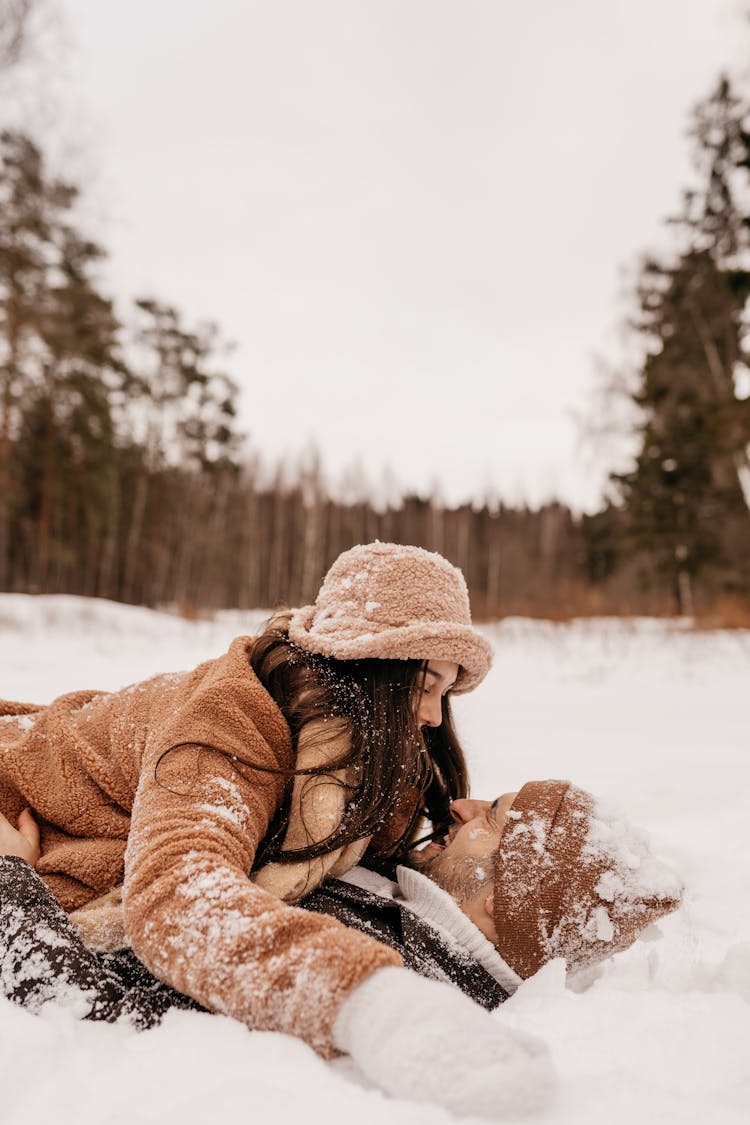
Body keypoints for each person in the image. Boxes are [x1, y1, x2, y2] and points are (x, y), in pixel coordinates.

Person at [0, 541, 554, 1118]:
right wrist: (373, 1003)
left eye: (447, 693)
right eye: (428, 684)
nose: (436, 717)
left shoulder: (364, 761)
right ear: (375, 667)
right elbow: (180, 896)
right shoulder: (233, 723)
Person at [0, 779, 681, 1102]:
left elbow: (89, 1020)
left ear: (504, 900)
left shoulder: (359, 962)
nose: (463, 805)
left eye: (493, 818)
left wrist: (10, 880)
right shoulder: (398, 902)